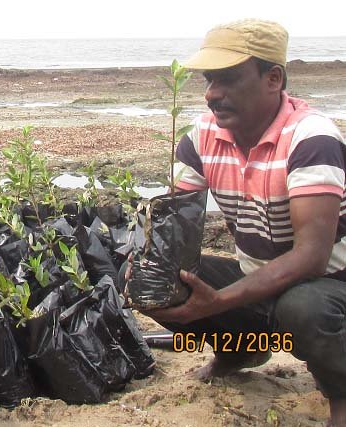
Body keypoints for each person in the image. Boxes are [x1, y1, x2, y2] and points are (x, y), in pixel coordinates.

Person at [136, 19, 345, 426]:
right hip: (261, 280)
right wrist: (153, 268)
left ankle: (341, 391)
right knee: (153, 275)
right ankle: (243, 349)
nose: (213, 94)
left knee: (302, 307)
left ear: (273, 78)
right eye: (210, 80)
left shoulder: (310, 138)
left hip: (331, 290)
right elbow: (175, 223)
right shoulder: (203, 137)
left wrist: (219, 302)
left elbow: (311, 259)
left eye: (229, 79)